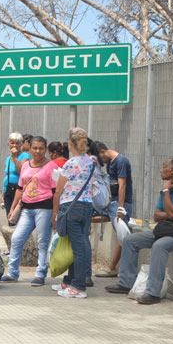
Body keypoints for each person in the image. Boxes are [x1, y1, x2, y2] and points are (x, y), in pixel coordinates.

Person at [105, 158, 173, 304]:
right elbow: (157, 215)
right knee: (130, 240)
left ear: (172, 170)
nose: (161, 170)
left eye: (163, 167)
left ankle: (153, 293)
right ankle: (126, 283)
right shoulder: (166, 188)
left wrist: (167, 193)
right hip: (166, 229)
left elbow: (172, 214)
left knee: (159, 246)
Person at [1, 136, 57, 286]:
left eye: (41, 148)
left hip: (44, 209)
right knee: (17, 238)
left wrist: (55, 213)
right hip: (26, 209)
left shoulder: (51, 167)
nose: (38, 151)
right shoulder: (25, 166)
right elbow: (20, 189)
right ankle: (12, 273)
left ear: (45, 149)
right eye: (35, 148)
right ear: (29, 148)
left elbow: (55, 192)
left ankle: (40, 274)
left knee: (42, 242)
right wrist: (12, 208)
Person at [51, 128, 96, 298]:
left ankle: (78, 286)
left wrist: (54, 213)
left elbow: (59, 190)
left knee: (78, 246)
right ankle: (70, 280)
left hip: (71, 206)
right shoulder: (92, 161)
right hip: (86, 206)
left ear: (70, 143)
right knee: (78, 243)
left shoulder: (71, 164)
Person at [91, 141, 133, 277]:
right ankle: (112, 267)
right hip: (111, 202)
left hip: (120, 203)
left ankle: (123, 271)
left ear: (102, 151)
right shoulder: (110, 162)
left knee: (123, 237)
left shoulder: (121, 161)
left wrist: (121, 207)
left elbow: (122, 185)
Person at [2, 132, 31, 226]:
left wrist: (15, 158)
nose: (14, 145)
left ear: (21, 144)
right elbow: (7, 175)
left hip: (18, 191)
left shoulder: (25, 157)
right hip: (8, 190)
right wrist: (3, 193)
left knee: (17, 218)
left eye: (17, 143)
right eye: (12, 142)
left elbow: (21, 172)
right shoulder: (8, 158)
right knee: (10, 218)